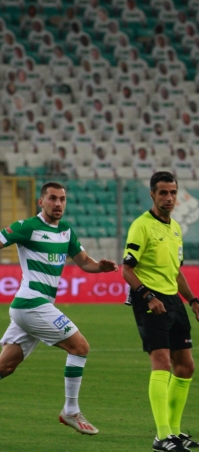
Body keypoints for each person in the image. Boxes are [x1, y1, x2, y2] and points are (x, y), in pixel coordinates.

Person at [0, 182, 118, 435]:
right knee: (80, 347)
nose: (58, 204)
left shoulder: (65, 230)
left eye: (62, 199)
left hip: (36, 308)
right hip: (32, 304)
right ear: (41, 202)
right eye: (52, 198)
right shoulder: (27, 227)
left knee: (5, 367)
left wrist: (101, 267)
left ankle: (71, 411)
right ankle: (71, 411)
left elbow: (84, 262)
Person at [122, 172, 199, 452]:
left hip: (173, 301)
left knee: (186, 366)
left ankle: (174, 431)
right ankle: (161, 436)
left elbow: (176, 271)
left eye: (172, 192)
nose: (169, 198)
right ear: (152, 195)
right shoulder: (141, 226)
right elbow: (127, 269)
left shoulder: (175, 228)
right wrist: (147, 295)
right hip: (150, 301)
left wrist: (192, 300)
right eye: (163, 193)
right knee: (161, 361)